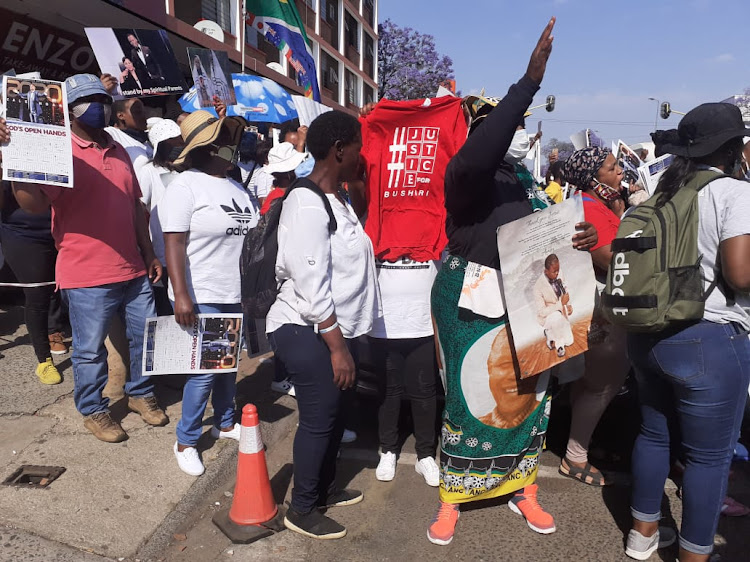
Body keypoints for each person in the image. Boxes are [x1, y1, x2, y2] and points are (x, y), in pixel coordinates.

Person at [427, 18, 597, 546]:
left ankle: (523, 488)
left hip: (525, 301)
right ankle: (454, 496)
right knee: (468, 397)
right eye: (499, 126)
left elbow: (548, 242)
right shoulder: (465, 175)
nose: (513, 134)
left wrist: (581, 237)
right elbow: (480, 151)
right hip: (470, 302)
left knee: (530, 394)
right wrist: (527, 84)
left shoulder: (525, 183)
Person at [6, 73, 168, 443]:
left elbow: (134, 207)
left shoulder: (120, 149)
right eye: (86, 101)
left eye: (101, 98)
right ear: (69, 110)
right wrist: (18, 164)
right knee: (89, 350)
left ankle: (141, 394)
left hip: (133, 268)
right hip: (86, 273)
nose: (97, 107)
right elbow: (33, 205)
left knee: (146, 338)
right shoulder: (57, 149)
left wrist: (148, 253)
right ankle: (94, 410)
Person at [625, 103, 750, 562]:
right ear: (733, 149)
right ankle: (695, 556)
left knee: (653, 435)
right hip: (709, 339)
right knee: (709, 458)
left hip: (646, 336)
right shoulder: (734, 194)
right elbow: (738, 274)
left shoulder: (662, 192)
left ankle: (642, 536)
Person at [266, 110, 380, 539]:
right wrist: (337, 348)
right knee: (321, 414)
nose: (360, 154)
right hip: (303, 326)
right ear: (338, 150)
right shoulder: (305, 202)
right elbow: (312, 284)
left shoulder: (338, 198)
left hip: (332, 328)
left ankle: (324, 489)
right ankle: (303, 507)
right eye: (356, 146)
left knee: (337, 411)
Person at [160, 110, 256, 476]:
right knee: (205, 370)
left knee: (229, 363)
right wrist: (181, 294)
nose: (232, 149)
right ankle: (185, 439)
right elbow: (175, 242)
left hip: (236, 290)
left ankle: (226, 422)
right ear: (206, 148)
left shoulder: (236, 186)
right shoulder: (185, 186)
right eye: (224, 142)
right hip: (201, 291)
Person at [558, 146, 630, 487]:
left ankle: (580, 442)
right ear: (593, 179)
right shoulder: (587, 209)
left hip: (598, 305)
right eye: (613, 168)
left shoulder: (597, 206)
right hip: (601, 306)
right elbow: (611, 259)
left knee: (589, 384)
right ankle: (575, 456)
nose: (621, 172)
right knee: (602, 384)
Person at [0, 177, 67, 384]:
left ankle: (55, 330)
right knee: (37, 294)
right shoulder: (7, 150)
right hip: (23, 234)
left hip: (65, 227)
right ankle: (44, 360)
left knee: (64, 288)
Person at [136, 118, 184, 315]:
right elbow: (139, 207)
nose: (180, 145)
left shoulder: (188, 170)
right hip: (162, 252)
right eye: (174, 142)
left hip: (189, 252)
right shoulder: (148, 172)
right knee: (167, 309)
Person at [534, 254, 573, 358]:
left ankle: (549, 335)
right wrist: (561, 304)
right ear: (545, 271)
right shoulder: (537, 287)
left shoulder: (559, 273)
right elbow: (542, 311)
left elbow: (565, 289)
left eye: (558, 270)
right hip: (548, 316)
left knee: (569, 341)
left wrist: (568, 304)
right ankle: (560, 347)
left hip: (561, 312)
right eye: (554, 272)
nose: (557, 274)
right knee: (556, 317)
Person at [105, 96, 152, 174]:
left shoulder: (149, 138)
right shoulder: (112, 134)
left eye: (144, 111)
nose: (144, 116)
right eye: (137, 112)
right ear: (121, 116)